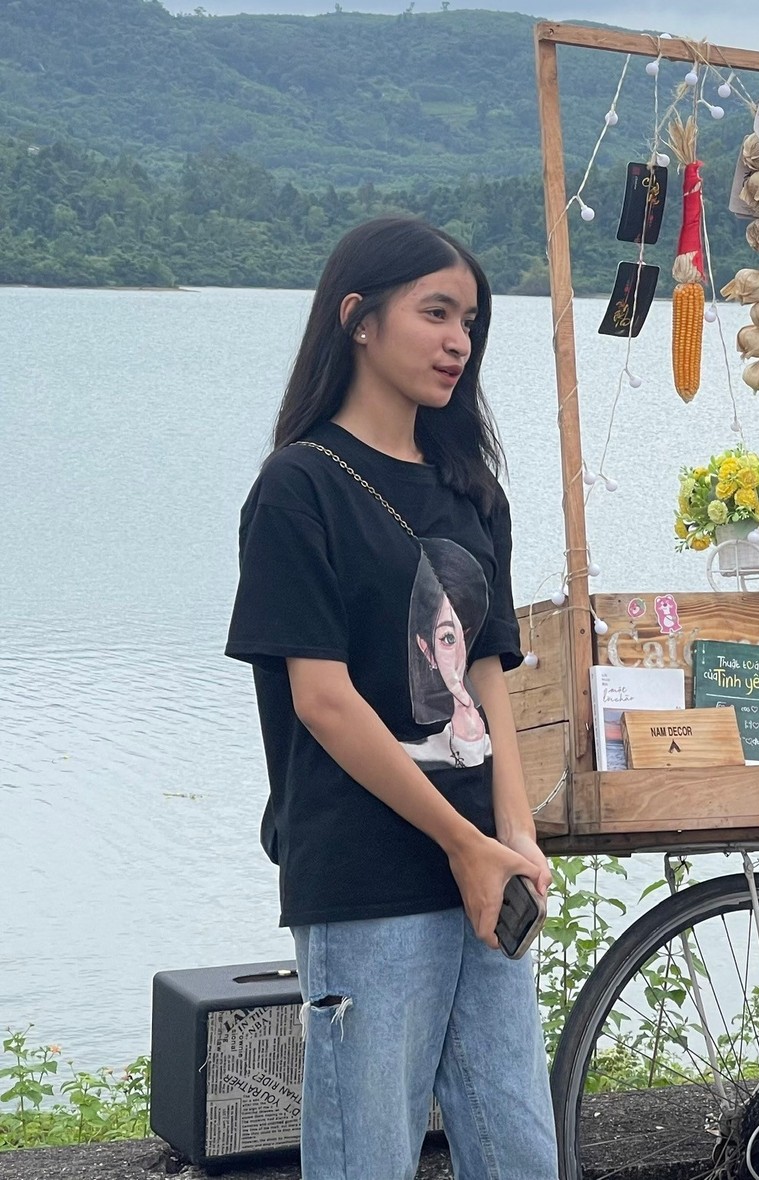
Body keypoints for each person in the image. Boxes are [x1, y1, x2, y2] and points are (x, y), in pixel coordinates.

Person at [225, 217, 555, 1179]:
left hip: (487, 870)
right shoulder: (299, 488)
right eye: (436, 313)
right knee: (366, 1155)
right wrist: (466, 847)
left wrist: (514, 836)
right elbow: (323, 703)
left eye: (472, 322)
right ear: (358, 319)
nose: (459, 340)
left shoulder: (470, 491)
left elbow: (488, 675)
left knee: (518, 1154)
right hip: (368, 877)